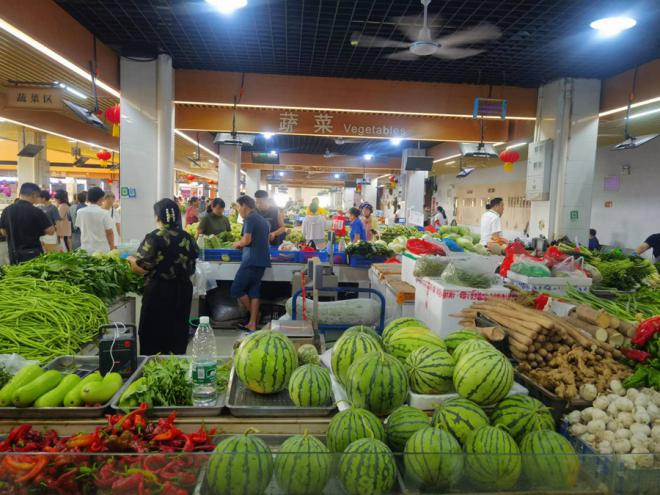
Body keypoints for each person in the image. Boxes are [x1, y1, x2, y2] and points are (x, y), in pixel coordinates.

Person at [127, 199, 198, 355]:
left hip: (158, 291)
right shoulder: (188, 237)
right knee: (178, 329)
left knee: (152, 331)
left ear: (158, 217)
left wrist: (131, 260)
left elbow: (141, 268)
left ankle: (152, 363)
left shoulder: (154, 237)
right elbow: (193, 263)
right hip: (182, 290)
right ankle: (176, 362)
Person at [231, 195, 271, 332]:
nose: (238, 210)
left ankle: (256, 315)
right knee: (254, 291)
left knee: (236, 289)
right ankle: (252, 324)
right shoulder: (262, 220)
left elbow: (246, 240)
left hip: (251, 260)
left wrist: (237, 244)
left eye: (238, 207)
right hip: (262, 260)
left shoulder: (250, 219)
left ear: (244, 206)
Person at [0, 182, 55, 264]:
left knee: (16, 272)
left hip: (14, 253)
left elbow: (3, 232)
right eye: (37, 196)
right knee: (34, 271)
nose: (37, 199)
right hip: (33, 253)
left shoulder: (7, 210)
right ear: (34, 195)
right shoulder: (37, 211)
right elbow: (50, 231)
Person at [76, 187, 115, 254]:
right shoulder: (105, 213)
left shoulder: (80, 212)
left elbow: (80, 227)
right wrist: (112, 247)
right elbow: (109, 233)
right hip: (102, 249)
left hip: (85, 248)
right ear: (101, 198)